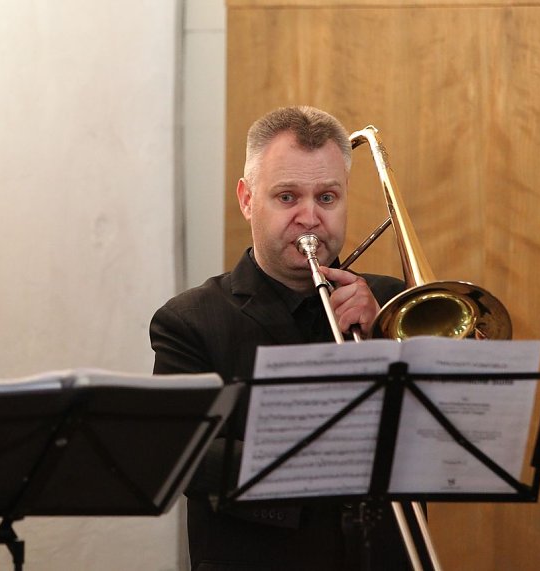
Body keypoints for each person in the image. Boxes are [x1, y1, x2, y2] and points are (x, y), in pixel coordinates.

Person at [150, 106, 410, 570]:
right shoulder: (190, 320)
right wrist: (317, 459)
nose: (310, 217)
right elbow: (178, 454)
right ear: (248, 200)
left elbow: (440, 434)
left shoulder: (392, 305)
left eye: (327, 198)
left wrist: (384, 342)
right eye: (287, 197)